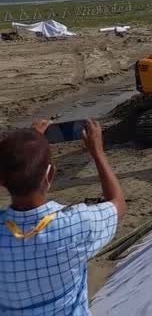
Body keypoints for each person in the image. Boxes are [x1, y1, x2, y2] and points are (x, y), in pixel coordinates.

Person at [0, 119, 125, 315]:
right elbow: (117, 204)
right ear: (49, 176)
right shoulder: (78, 224)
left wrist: (25, 150)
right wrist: (97, 152)